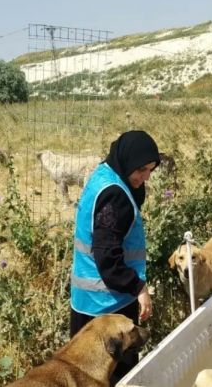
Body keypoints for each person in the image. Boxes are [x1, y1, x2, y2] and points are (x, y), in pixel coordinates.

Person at [69, 130, 160, 386]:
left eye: (151, 170)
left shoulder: (104, 175)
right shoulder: (115, 196)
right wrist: (138, 287)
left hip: (85, 300)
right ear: (127, 161)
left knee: (82, 375)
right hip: (108, 306)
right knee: (118, 377)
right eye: (141, 169)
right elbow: (108, 258)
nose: (145, 177)